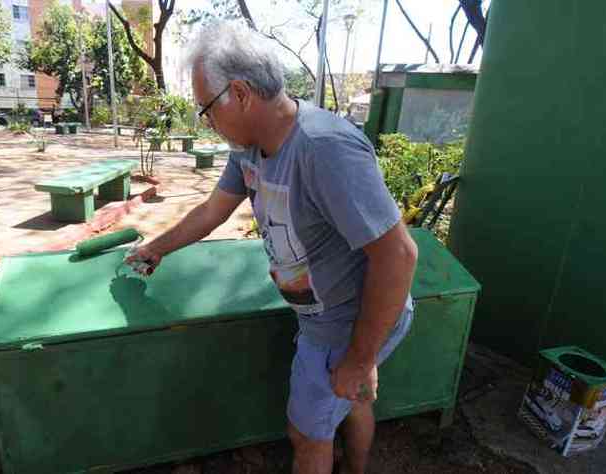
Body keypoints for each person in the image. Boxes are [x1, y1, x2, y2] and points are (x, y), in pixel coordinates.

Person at [126, 22, 417, 474]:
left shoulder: (324, 149)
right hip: (324, 315)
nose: (206, 122)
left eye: (206, 108)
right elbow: (212, 211)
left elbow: (398, 254)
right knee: (349, 401)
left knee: (306, 434)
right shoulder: (248, 148)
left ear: (240, 94)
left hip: (344, 322)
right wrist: (155, 248)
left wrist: (359, 356)